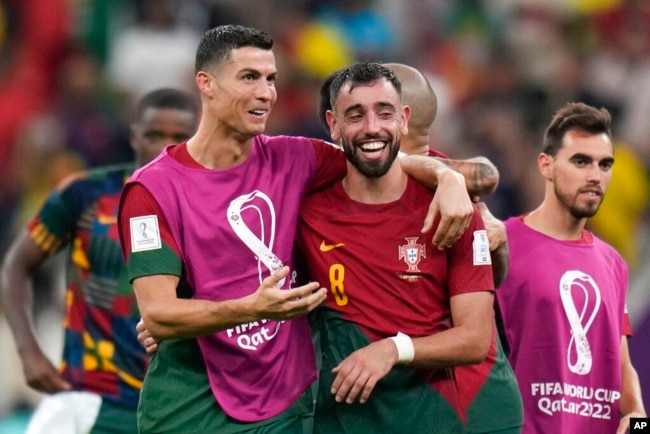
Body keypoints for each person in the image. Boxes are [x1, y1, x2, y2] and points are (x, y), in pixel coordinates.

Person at [118, 24, 479, 434]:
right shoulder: (152, 189)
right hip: (190, 409)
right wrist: (252, 307)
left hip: (284, 409)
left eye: (271, 79)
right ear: (207, 84)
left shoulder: (294, 158)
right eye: (249, 78)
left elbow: (376, 159)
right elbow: (159, 315)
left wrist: (448, 179)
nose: (265, 93)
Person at [295, 61, 511, 433]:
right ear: (333, 124)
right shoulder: (307, 205)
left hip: (431, 413)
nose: (372, 127)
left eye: (384, 112)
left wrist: (393, 348)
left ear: (404, 119)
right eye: (356, 114)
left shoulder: (454, 208)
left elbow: (475, 338)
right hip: (341, 416)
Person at [0, 88, 199, 433]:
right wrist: (27, 349)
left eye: (179, 137)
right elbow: (17, 264)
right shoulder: (86, 194)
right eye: (154, 135)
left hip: (169, 401)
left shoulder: (208, 208)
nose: (164, 146)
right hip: (90, 397)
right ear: (135, 136)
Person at [495, 102, 647, 433]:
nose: (595, 176)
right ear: (546, 166)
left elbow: (623, 370)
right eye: (581, 162)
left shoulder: (614, 263)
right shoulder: (501, 243)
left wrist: (639, 422)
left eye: (605, 165)